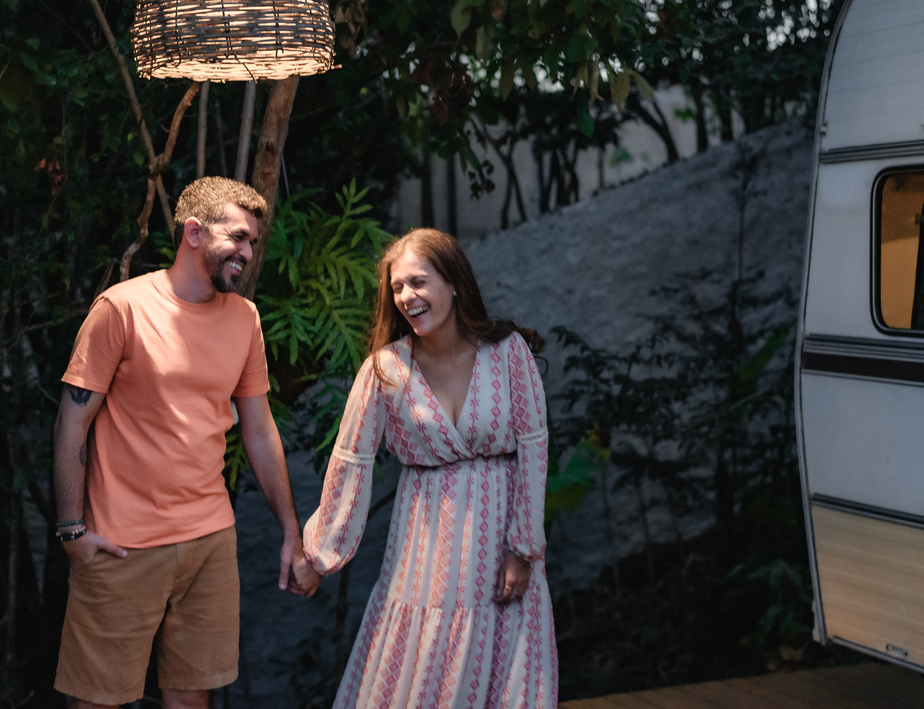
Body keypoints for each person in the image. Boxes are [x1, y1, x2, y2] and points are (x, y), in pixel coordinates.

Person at [51, 177, 320, 709]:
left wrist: (291, 529)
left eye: (252, 242)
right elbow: (71, 425)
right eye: (238, 237)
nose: (247, 251)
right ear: (194, 232)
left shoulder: (244, 319)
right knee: (97, 701)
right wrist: (70, 529)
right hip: (121, 543)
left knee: (190, 698)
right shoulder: (122, 308)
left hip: (209, 542)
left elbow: (260, 430)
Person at [303, 228, 558, 708]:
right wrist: (320, 555)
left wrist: (524, 548)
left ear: (454, 282)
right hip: (426, 551)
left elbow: (533, 449)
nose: (406, 296)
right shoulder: (385, 370)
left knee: (507, 672)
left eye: (418, 282)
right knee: (424, 667)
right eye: (396, 287)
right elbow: (352, 463)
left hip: (502, 538)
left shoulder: (508, 354)